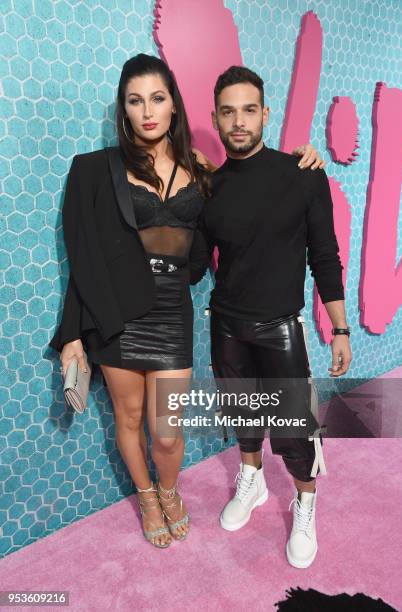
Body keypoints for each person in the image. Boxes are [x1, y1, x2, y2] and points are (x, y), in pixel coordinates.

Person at [49, 53, 325, 549]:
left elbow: (246, 204)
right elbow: (82, 256)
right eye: (135, 101)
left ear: (174, 106)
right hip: (116, 314)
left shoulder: (201, 170)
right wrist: (72, 335)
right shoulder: (94, 170)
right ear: (124, 109)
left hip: (171, 313)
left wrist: (304, 160)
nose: (147, 110)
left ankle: (170, 488)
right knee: (128, 419)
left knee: (167, 431)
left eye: (157, 98)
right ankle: (148, 495)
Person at [197, 66, 352, 568]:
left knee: (293, 430)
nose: (238, 121)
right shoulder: (211, 188)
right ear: (216, 120)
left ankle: (305, 503)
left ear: (265, 114)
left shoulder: (302, 174)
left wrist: (340, 328)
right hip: (225, 323)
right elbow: (197, 263)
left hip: (281, 324)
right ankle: (253, 480)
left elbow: (324, 257)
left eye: (248, 110)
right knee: (243, 419)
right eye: (228, 112)